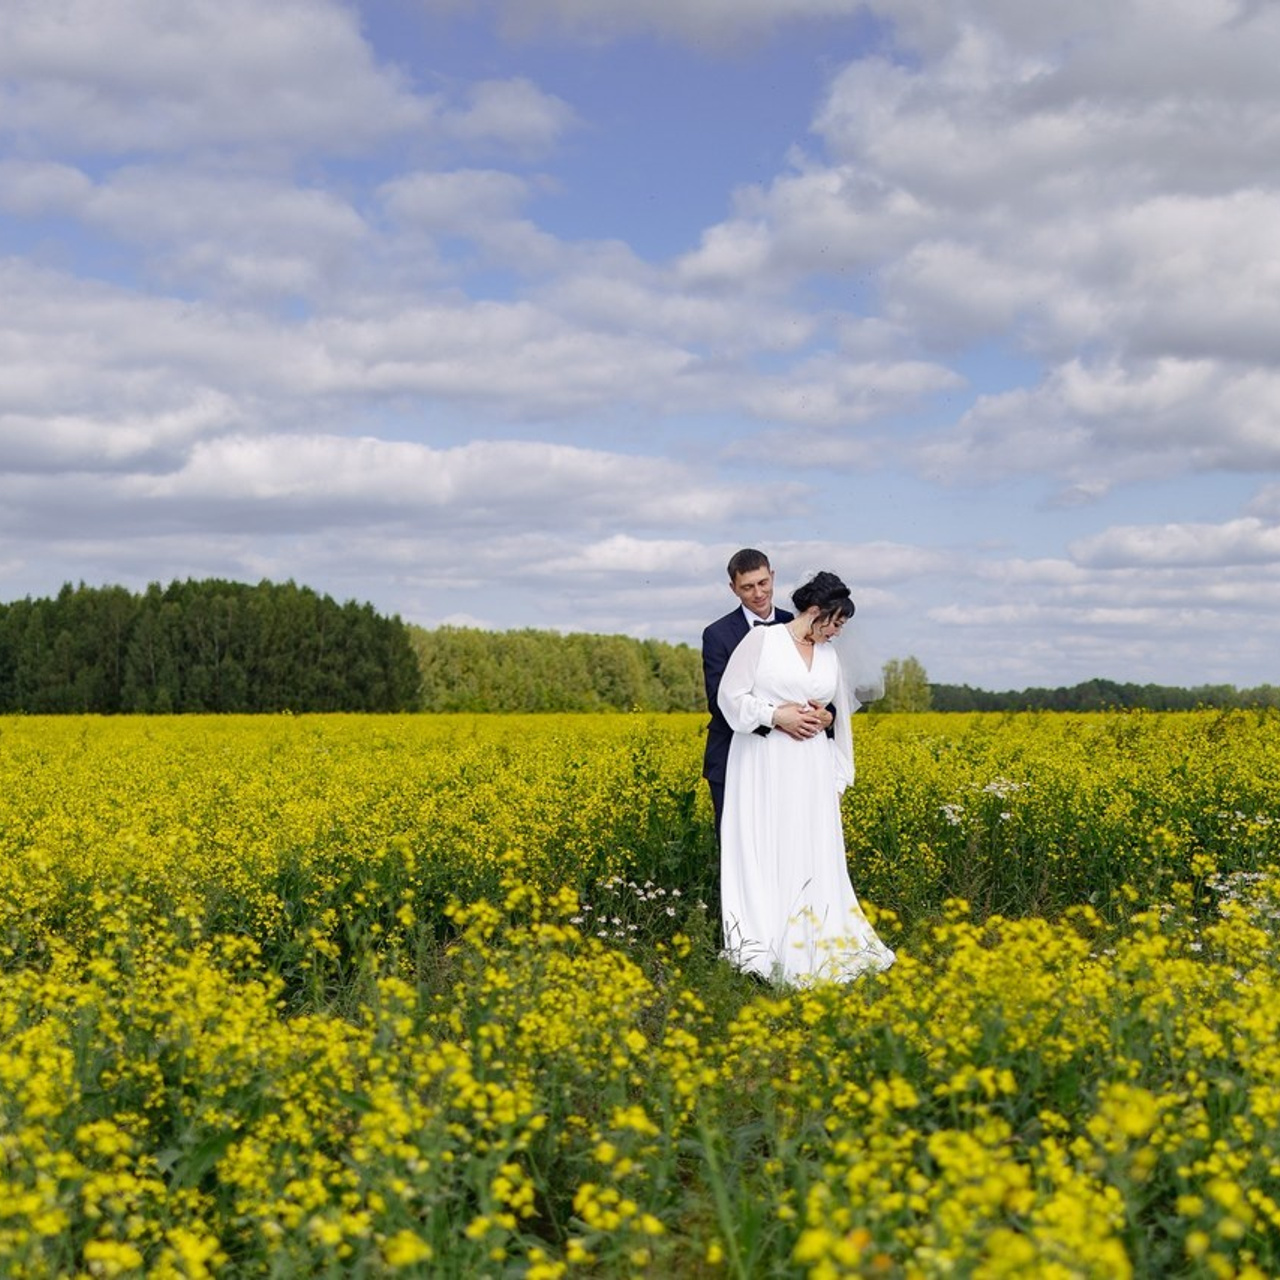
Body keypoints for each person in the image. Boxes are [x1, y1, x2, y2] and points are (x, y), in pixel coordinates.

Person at [716, 570, 895, 985]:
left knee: (808, 842)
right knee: (770, 839)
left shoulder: (828, 654)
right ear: (815, 612)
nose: (837, 633)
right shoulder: (764, 640)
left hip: (811, 762)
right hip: (765, 759)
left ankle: (818, 931)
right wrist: (775, 715)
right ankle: (768, 936)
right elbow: (731, 696)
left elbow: (836, 708)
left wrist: (828, 715)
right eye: (834, 623)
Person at [701, 549, 828, 841]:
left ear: (772, 577)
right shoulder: (717, 634)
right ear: (733, 588)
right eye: (747, 587)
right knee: (739, 845)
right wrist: (779, 718)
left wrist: (826, 714)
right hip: (733, 755)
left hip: (790, 756)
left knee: (787, 842)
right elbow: (718, 701)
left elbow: (815, 682)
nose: (758, 593)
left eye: (763, 583)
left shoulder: (797, 624)